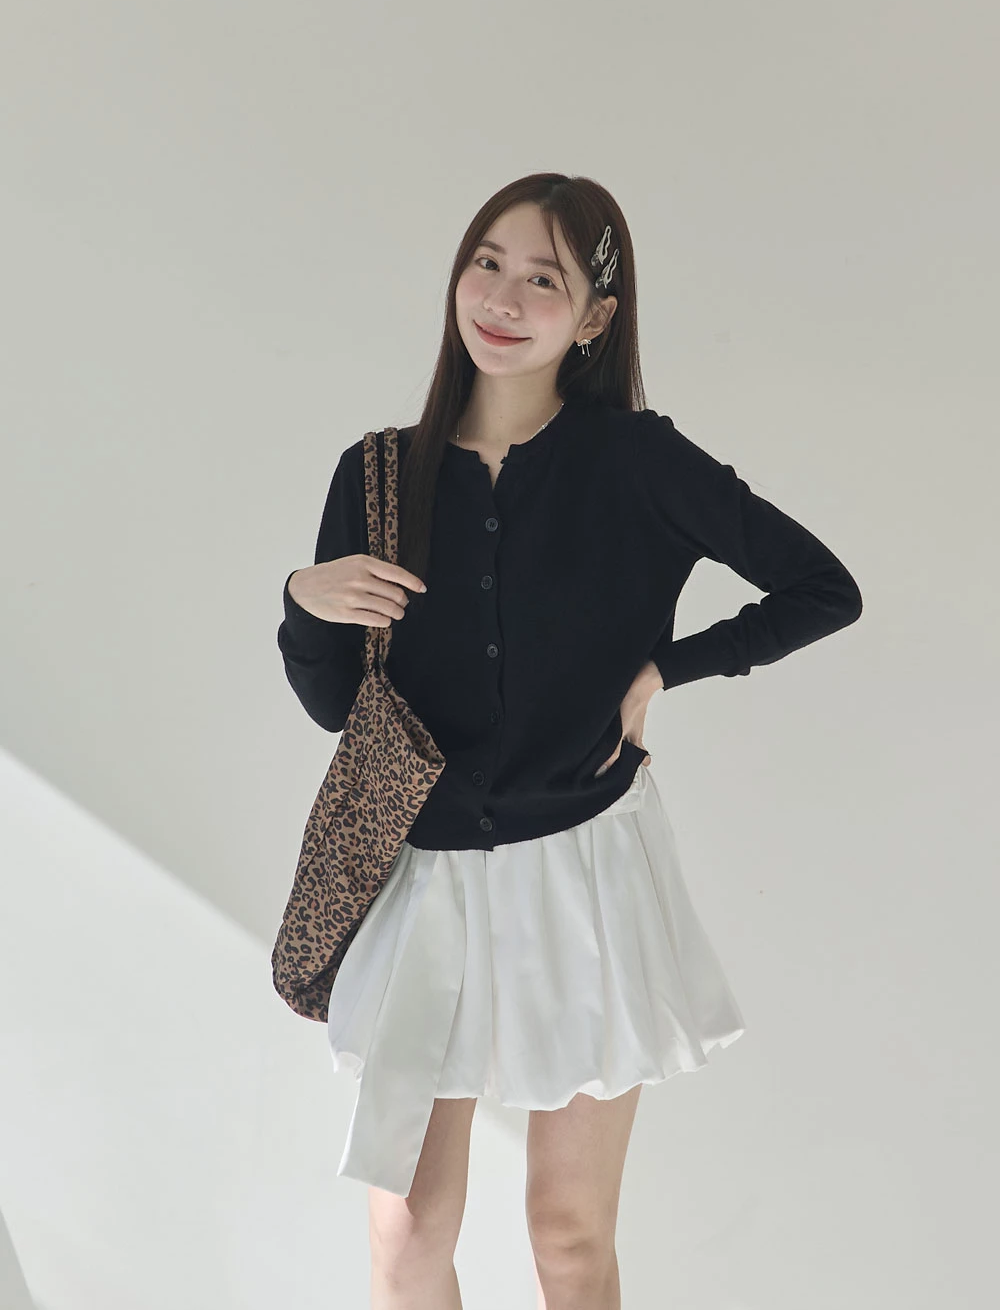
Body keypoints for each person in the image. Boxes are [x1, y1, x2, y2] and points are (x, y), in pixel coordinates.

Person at [277, 172, 863, 1310]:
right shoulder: (380, 474)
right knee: (406, 1233)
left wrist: (666, 669)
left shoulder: (638, 462)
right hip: (426, 879)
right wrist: (305, 599)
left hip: (585, 869)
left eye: (542, 279)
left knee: (569, 1233)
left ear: (593, 317)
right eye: (486, 263)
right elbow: (340, 709)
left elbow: (820, 587)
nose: (502, 298)